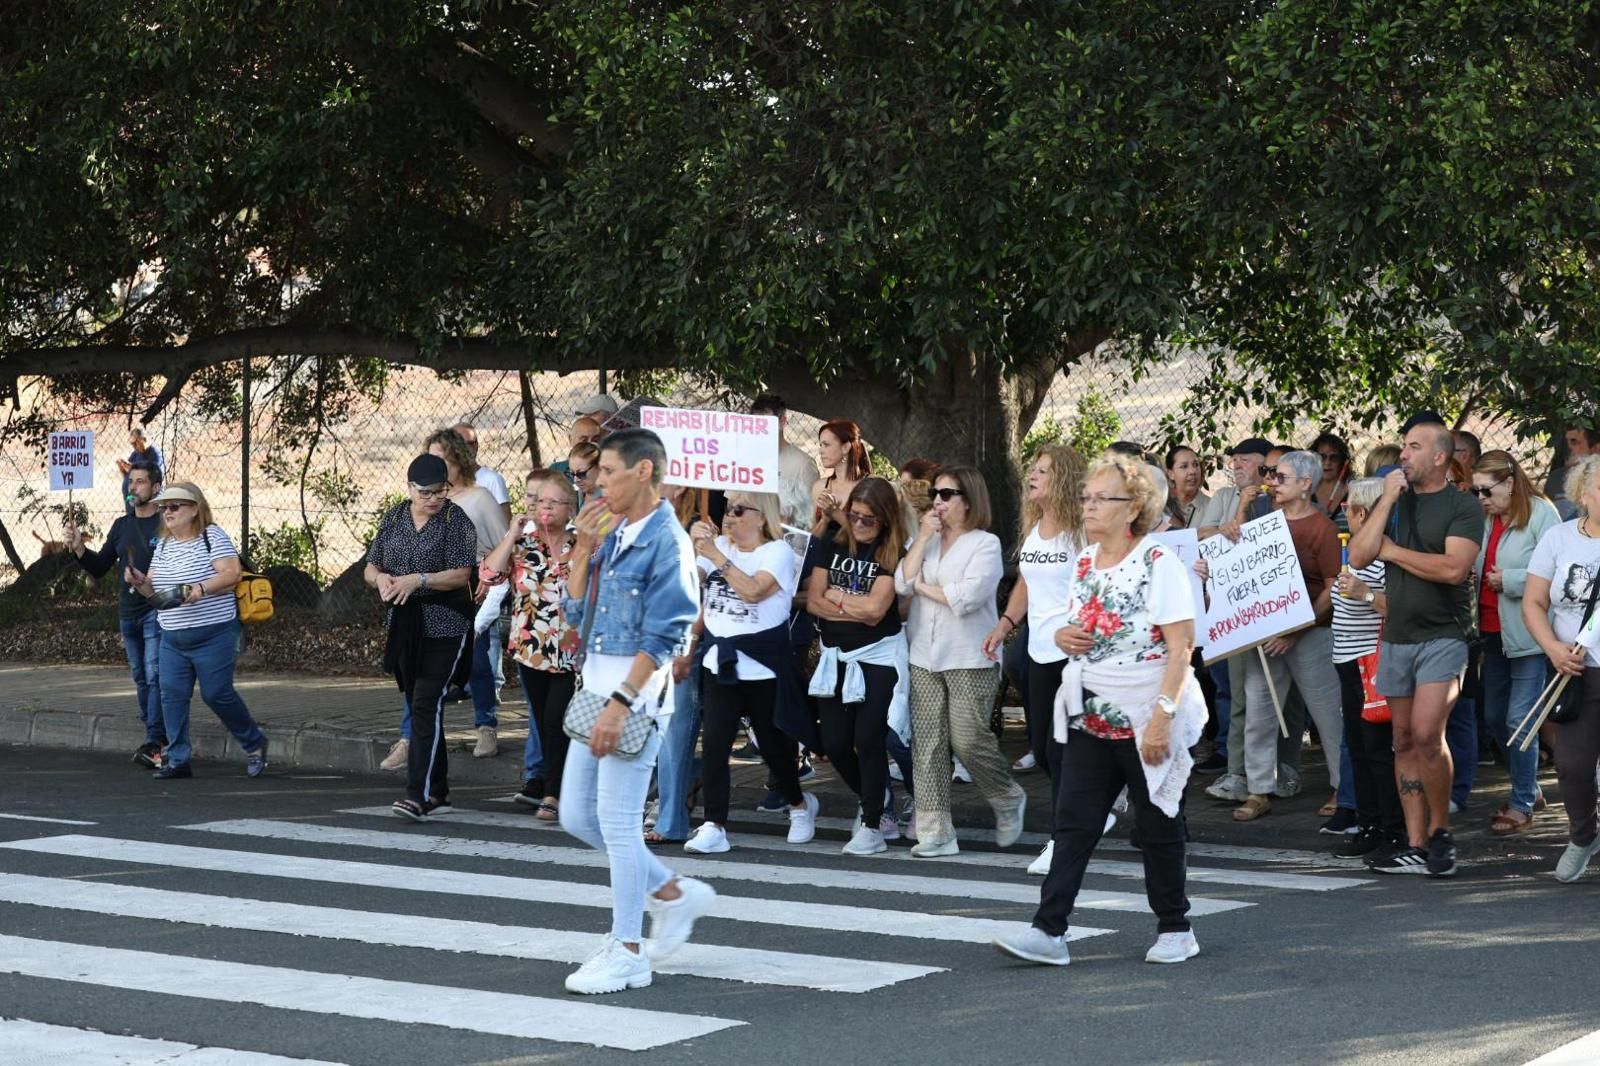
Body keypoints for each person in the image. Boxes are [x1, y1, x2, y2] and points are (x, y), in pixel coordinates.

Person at [992, 453, 1204, 968]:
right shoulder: (1085, 560)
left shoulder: (1159, 563)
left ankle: (1176, 927)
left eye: (1100, 498)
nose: (1087, 506)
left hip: (1148, 712)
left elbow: (1181, 646)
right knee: (1073, 822)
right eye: (1086, 497)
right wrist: (1066, 636)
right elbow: (1079, 628)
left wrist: (1162, 718)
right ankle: (1049, 930)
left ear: (1132, 508)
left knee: (1156, 825)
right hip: (1092, 712)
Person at [558, 427, 714, 995]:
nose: (598, 483)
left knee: (620, 827)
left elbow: (668, 632)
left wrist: (622, 702)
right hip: (597, 692)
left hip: (636, 699)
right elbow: (576, 612)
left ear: (643, 471)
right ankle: (673, 892)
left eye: (608, 471)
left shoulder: (667, 541)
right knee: (576, 817)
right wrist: (582, 548)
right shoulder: (615, 531)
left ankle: (628, 950)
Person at [1349, 421, 1483, 877]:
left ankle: (1441, 831)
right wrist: (1386, 500)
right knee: (1403, 738)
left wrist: (1393, 552)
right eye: (1403, 446)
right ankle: (1415, 843)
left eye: (1414, 447)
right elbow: (1359, 556)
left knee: (1427, 734)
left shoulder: (1462, 506)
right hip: (1397, 637)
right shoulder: (1394, 501)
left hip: (1444, 634)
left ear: (1439, 457)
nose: (1403, 454)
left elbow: (1452, 569)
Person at [898, 465, 1026, 856]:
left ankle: (1006, 795)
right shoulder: (927, 540)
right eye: (934, 494)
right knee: (928, 744)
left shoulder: (984, 544)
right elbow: (901, 582)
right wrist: (922, 539)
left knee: (968, 740)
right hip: (923, 652)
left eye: (946, 494)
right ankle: (936, 833)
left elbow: (967, 598)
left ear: (968, 501)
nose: (937, 501)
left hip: (969, 654)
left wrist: (922, 586)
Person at [683, 490, 818, 853]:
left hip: (763, 665)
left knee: (773, 746)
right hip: (721, 663)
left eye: (740, 510)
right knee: (715, 744)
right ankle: (714, 824)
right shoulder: (718, 546)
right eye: (728, 509)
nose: (730, 515)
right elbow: (688, 585)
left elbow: (754, 591)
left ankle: (798, 803)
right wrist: (692, 549)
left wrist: (716, 557)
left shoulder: (777, 551)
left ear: (761, 516)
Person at [982, 443, 1085, 875]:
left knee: (1060, 751)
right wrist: (1005, 624)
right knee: (1042, 749)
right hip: (1038, 650)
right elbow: (1026, 582)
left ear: (1063, 478)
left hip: (1074, 653)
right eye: (1034, 468)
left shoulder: (1082, 530)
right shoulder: (1036, 527)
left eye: (1043, 470)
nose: (1033, 475)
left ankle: (1063, 839)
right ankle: (1095, 808)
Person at [126, 482, 269, 780]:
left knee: (216, 693)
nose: (167, 512)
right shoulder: (164, 544)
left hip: (213, 633)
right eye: (163, 507)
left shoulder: (211, 536)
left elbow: (232, 574)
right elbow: (153, 592)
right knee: (171, 696)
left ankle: (254, 742)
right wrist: (140, 582)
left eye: (174, 506)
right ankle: (178, 759)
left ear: (194, 509)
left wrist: (200, 589)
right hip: (172, 637)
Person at [1231, 450, 1345, 823]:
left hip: (1310, 634)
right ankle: (1258, 789)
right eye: (1270, 475)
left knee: (1327, 714)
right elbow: (1239, 563)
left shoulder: (1323, 528)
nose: (1271, 482)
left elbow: (1333, 586)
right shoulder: (1266, 520)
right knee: (1259, 711)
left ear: (1305, 484)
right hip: (1268, 634)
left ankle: (1343, 787)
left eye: (1280, 477)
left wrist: (1297, 627)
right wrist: (1239, 513)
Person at [366, 455, 477, 820]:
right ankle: (439, 792)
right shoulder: (395, 516)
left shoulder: (456, 521)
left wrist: (420, 579)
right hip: (405, 625)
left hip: (446, 623)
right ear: (410, 488)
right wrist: (380, 579)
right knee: (420, 705)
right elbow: (372, 565)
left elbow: (461, 575)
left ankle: (418, 794)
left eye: (440, 491)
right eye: (425, 492)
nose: (433, 499)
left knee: (427, 703)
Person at [806, 476, 911, 856]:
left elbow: (876, 611)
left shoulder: (892, 550)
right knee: (834, 743)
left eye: (869, 518)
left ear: (886, 519)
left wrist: (836, 597)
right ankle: (878, 798)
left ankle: (872, 824)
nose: (860, 524)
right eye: (854, 515)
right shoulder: (832, 540)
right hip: (836, 655)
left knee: (868, 739)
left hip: (878, 656)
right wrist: (850, 605)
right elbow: (813, 601)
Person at [481, 469, 580, 821]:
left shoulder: (582, 544)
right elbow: (490, 574)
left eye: (555, 501)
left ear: (571, 508)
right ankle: (561, 787)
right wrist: (512, 533)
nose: (545, 507)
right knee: (543, 720)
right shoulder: (523, 544)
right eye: (540, 501)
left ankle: (554, 793)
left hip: (570, 650)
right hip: (531, 648)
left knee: (556, 718)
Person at [1470, 451, 1560, 835]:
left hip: (1529, 635)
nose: (1481, 499)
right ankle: (1529, 787)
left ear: (1509, 483)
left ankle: (1522, 801)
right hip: (1493, 633)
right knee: (1494, 718)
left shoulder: (1541, 514)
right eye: (1475, 491)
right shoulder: (1486, 518)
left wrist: (1509, 580)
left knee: (1519, 720)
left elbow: (1557, 570)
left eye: (1486, 490)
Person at [1524, 455, 1600, 880]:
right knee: (1572, 766)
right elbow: (1534, 603)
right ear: (1584, 493)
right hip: (1574, 671)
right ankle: (1584, 836)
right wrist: (1553, 648)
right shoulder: (1558, 538)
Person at [67, 459, 167, 767]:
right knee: (140, 676)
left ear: (156, 487)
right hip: (128, 611)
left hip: (155, 609)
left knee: (154, 674)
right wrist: (79, 549)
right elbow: (100, 566)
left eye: (140, 481)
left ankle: (155, 740)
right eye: (130, 481)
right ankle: (155, 733)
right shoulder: (122, 526)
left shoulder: (166, 523)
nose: (133, 487)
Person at [1329, 478, 1405, 860]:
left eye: (1349, 508)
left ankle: (1391, 828)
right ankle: (1369, 823)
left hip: (1369, 665)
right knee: (1359, 749)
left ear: (1362, 513)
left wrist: (1366, 593)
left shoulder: (1384, 555)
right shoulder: (1355, 553)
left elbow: (1401, 608)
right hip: (1347, 662)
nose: (1344, 513)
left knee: (1377, 750)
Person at [425, 428, 510, 757]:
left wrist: (488, 576)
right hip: (433, 588)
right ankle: (411, 736)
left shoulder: (480, 497)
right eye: (430, 459)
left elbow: (503, 547)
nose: (435, 467)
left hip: (472, 588)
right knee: (424, 666)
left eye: (441, 460)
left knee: (476, 661)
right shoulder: (428, 499)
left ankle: (486, 727)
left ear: (458, 460)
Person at [749, 394, 821, 528]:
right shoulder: (746, 459)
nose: (761, 430)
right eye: (757, 424)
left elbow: (809, 519)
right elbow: (731, 505)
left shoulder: (803, 464)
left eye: (767, 424)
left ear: (782, 421)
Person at [811, 419, 871, 533]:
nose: (820, 451)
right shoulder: (820, 487)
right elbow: (812, 538)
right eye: (820, 445)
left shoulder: (870, 486)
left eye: (826, 445)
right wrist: (824, 521)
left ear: (846, 447)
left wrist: (835, 513)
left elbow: (867, 534)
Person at [453, 421, 513, 525]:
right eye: (459, 444)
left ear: (476, 446)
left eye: (469, 443)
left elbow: (505, 526)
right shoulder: (444, 483)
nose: (465, 449)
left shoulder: (492, 480)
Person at [1310, 431, 1352, 526]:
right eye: (1322, 457)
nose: (1327, 462)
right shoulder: (1305, 491)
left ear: (1342, 461)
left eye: (1334, 458)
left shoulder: (1353, 491)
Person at [1164, 445, 1209, 530]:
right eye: (1184, 466)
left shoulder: (1213, 507)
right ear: (1171, 474)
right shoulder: (1162, 508)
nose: (1193, 471)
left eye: (1196, 465)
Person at [116, 425, 163, 505]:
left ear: (143, 439)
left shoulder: (154, 453)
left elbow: (147, 475)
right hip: (133, 499)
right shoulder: (136, 453)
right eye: (132, 444)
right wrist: (121, 467)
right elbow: (128, 476)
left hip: (150, 501)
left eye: (135, 443)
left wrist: (128, 466)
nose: (133, 446)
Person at [568, 441, 602, 507]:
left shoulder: (611, 500)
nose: (576, 480)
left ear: (599, 467)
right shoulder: (576, 494)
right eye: (572, 474)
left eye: (582, 473)